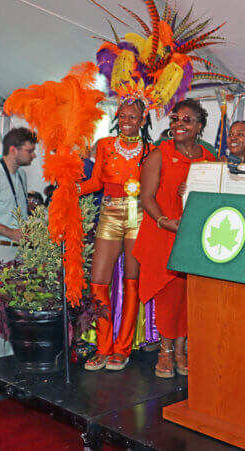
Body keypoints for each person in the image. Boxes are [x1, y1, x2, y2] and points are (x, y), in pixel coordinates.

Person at [133, 99, 215, 378]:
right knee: (168, 296)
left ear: (199, 126)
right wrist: (164, 221)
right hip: (163, 233)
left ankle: (181, 350)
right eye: (175, 119)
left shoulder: (209, 158)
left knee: (188, 296)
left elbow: (215, 195)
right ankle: (166, 351)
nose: (179, 124)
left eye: (187, 120)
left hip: (193, 237)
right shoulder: (159, 154)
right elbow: (146, 196)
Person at [78, 100, 150, 371]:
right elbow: (96, 182)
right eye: (122, 116)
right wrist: (71, 191)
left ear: (143, 120)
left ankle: (122, 348)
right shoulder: (105, 145)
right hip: (109, 213)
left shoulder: (150, 150)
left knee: (132, 282)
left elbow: (154, 188)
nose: (126, 121)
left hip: (137, 215)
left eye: (132, 117)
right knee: (98, 281)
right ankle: (103, 346)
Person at [0, 127, 36, 359]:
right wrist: (10, 232)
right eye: (30, 150)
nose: (34, 155)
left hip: (18, 251)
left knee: (13, 308)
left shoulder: (21, 174)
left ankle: (9, 358)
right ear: (13, 149)